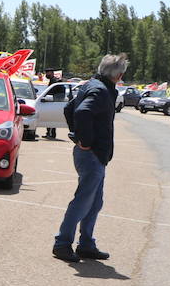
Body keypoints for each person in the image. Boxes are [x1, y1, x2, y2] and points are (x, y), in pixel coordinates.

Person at [53, 54, 127, 263]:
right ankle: (62, 244)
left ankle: (86, 244)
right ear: (119, 75)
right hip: (91, 154)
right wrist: (84, 140)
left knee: (95, 202)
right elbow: (82, 112)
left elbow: (69, 108)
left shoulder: (95, 86)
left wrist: (78, 136)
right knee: (84, 201)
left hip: (95, 154)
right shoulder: (100, 90)